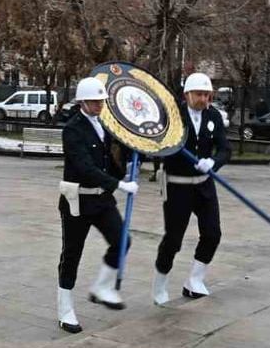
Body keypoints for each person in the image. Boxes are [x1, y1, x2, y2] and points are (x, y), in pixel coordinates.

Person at [55, 77, 136, 334]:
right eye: (94, 101)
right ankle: (64, 309)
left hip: (101, 199)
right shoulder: (73, 129)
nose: (100, 105)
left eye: (101, 101)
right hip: (78, 200)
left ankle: (102, 286)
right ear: (82, 101)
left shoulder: (103, 126)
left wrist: (131, 162)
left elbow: (109, 161)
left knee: (123, 240)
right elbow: (84, 167)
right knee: (72, 254)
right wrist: (118, 185)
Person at [153, 73, 230, 305]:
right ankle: (160, 283)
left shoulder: (213, 115)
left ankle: (195, 280)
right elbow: (160, 145)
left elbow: (225, 148)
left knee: (212, 233)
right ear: (187, 94)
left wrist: (214, 162)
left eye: (207, 95)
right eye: (199, 94)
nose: (204, 99)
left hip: (204, 185)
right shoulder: (173, 116)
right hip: (178, 185)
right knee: (173, 239)